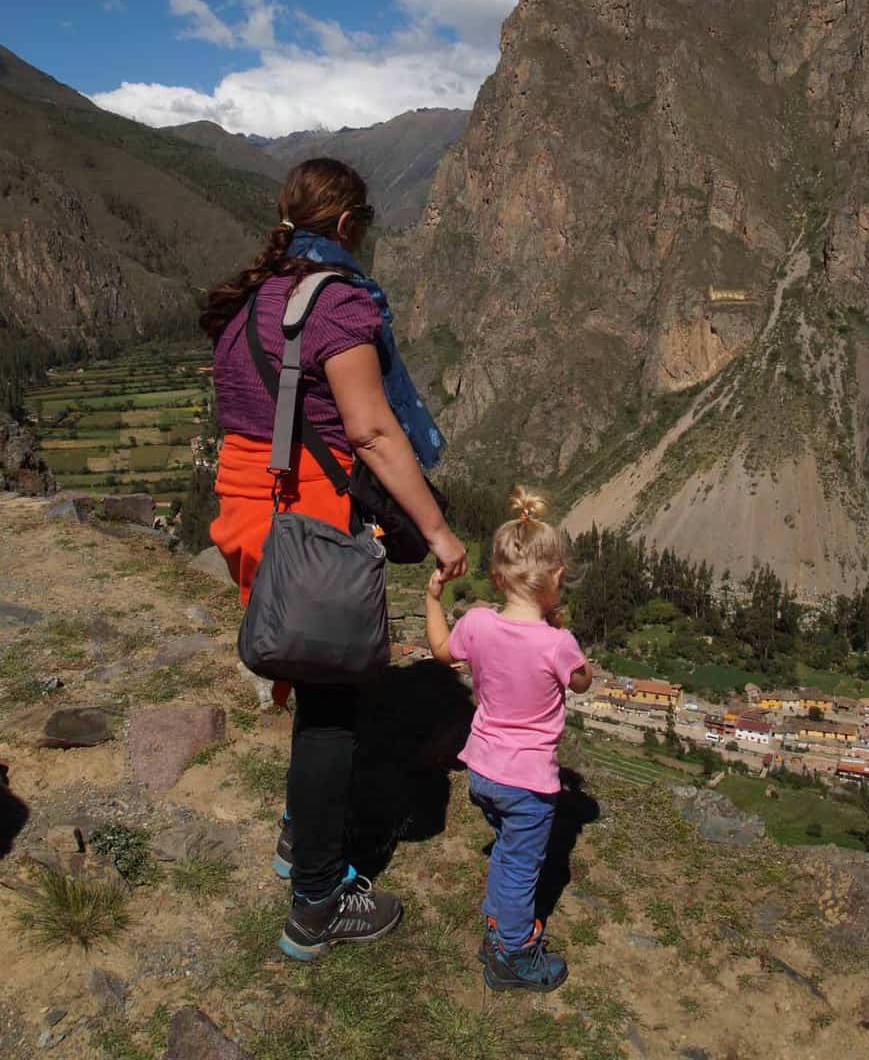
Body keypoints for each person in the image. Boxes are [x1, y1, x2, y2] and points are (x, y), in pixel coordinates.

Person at [201, 158, 467, 961]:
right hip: (312, 518)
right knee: (332, 712)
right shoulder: (334, 303)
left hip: (250, 513)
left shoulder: (250, 299)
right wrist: (440, 533)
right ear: (349, 227)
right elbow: (374, 432)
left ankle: (298, 836)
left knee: (308, 681)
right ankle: (317, 898)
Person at [424, 486, 592, 993]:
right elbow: (581, 682)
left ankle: (499, 925)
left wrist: (432, 597)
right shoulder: (557, 643)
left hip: (482, 771)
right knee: (524, 865)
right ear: (556, 579)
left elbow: (440, 650)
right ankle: (513, 956)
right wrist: (565, 638)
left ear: (497, 578)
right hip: (528, 783)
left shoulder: (475, 624)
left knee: (506, 850)